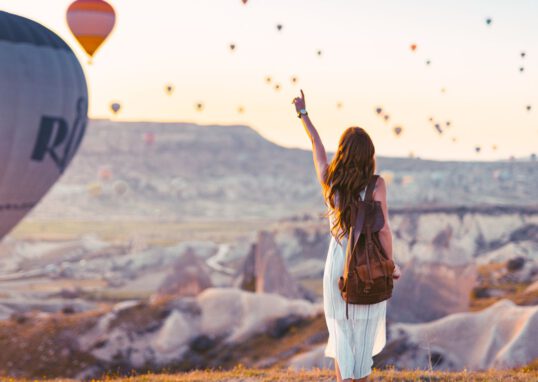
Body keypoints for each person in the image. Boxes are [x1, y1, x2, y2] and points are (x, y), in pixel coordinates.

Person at [292, 90, 401, 382]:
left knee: (340, 333)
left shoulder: (330, 181)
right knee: (362, 340)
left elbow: (316, 144)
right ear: (369, 156)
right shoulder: (377, 185)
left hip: (338, 265)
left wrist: (303, 114)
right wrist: (391, 265)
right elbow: (384, 230)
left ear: (343, 152)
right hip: (367, 266)